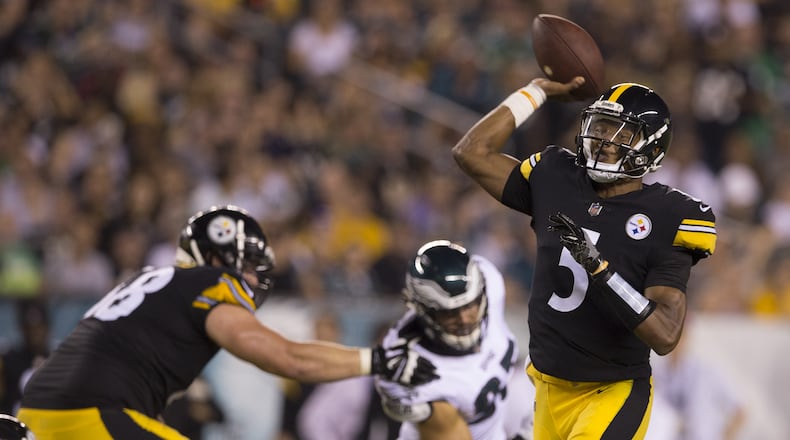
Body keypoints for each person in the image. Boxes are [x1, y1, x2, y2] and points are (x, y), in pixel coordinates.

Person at [16, 205, 438, 439]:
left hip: (39, 415)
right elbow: (288, 359)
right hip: (90, 414)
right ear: (218, 259)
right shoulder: (211, 282)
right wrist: (378, 360)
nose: (253, 281)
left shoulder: (151, 282)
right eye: (248, 267)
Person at [452, 77, 717, 439]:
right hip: (546, 387)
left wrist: (602, 271)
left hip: (610, 391)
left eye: (623, 134)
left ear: (652, 148)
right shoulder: (556, 175)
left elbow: (666, 335)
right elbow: (471, 152)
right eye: (603, 126)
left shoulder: (671, 215)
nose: (606, 142)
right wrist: (537, 92)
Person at [375, 240, 521, 439]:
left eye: (469, 305)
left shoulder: (489, 280)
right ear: (423, 310)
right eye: (450, 312)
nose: (464, 319)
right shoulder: (410, 363)